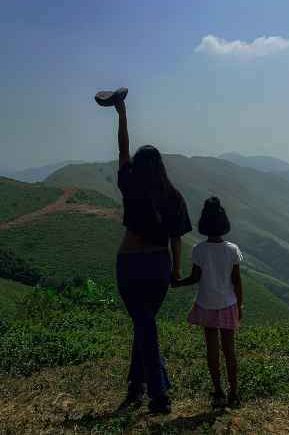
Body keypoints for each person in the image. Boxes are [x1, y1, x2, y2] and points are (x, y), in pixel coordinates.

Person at [113, 95, 192, 414]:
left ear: (139, 165)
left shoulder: (131, 184)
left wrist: (122, 115)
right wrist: (175, 271)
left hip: (130, 264)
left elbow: (121, 151)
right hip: (159, 267)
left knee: (144, 324)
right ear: (161, 166)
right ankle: (137, 386)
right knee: (145, 324)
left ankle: (157, 393)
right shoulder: (173, 196)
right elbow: (177, 239)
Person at [172, 197, 243, 409]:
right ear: (224, 224)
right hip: (228, 304)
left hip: (206, 304)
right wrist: (241, 305)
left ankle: (218, 392)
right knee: (229, 351)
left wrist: (177, 283)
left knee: (212, 350)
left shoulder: (199, 249)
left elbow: (195, 277)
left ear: (203, 223)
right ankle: (234, 393)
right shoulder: (232, 249)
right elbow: (237, 281)